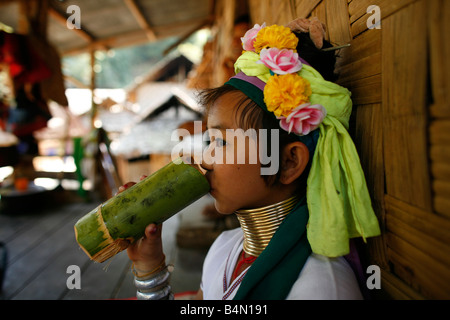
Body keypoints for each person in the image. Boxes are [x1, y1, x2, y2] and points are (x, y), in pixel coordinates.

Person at [122, 18, 381, 300]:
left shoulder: (319, 288)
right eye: (210, 141)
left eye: (221, 142)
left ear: (289, 162)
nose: (206, 160)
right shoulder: (225, 248)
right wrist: (149, 267)